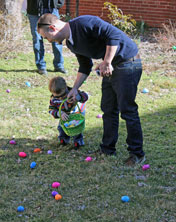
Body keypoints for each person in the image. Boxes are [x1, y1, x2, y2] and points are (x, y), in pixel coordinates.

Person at [38, 14, 145, 166]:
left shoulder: (84, 23)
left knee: (127, 110)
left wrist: (107, 61)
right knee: (108, 109)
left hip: (127, 62)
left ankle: (137, 154)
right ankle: (107, 148)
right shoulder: (71, 43)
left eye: (46, 37)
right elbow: (85, 65)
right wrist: (74, 89)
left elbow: (113, 35)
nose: (48, 41)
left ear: (52, 28)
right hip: (110, 67)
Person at [27, 0, 66, 75]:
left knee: (56, 37)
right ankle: (41, 66)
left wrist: (58, 4)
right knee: (37, 39)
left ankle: (59, 65)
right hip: (34, 10)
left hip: (52, 9)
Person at [48, 76, 88, 149]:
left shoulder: (72, 92)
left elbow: (85, 97)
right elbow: (51, 110)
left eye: (62, 95)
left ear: (66, 88)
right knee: (61, 127)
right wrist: (59, 113)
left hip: (76, 114)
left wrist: (78, 97)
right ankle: (64, 139)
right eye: (57, 97)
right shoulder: (54, 99)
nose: (60, 98)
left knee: (76, 128)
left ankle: (78, 141)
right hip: (64, 116)